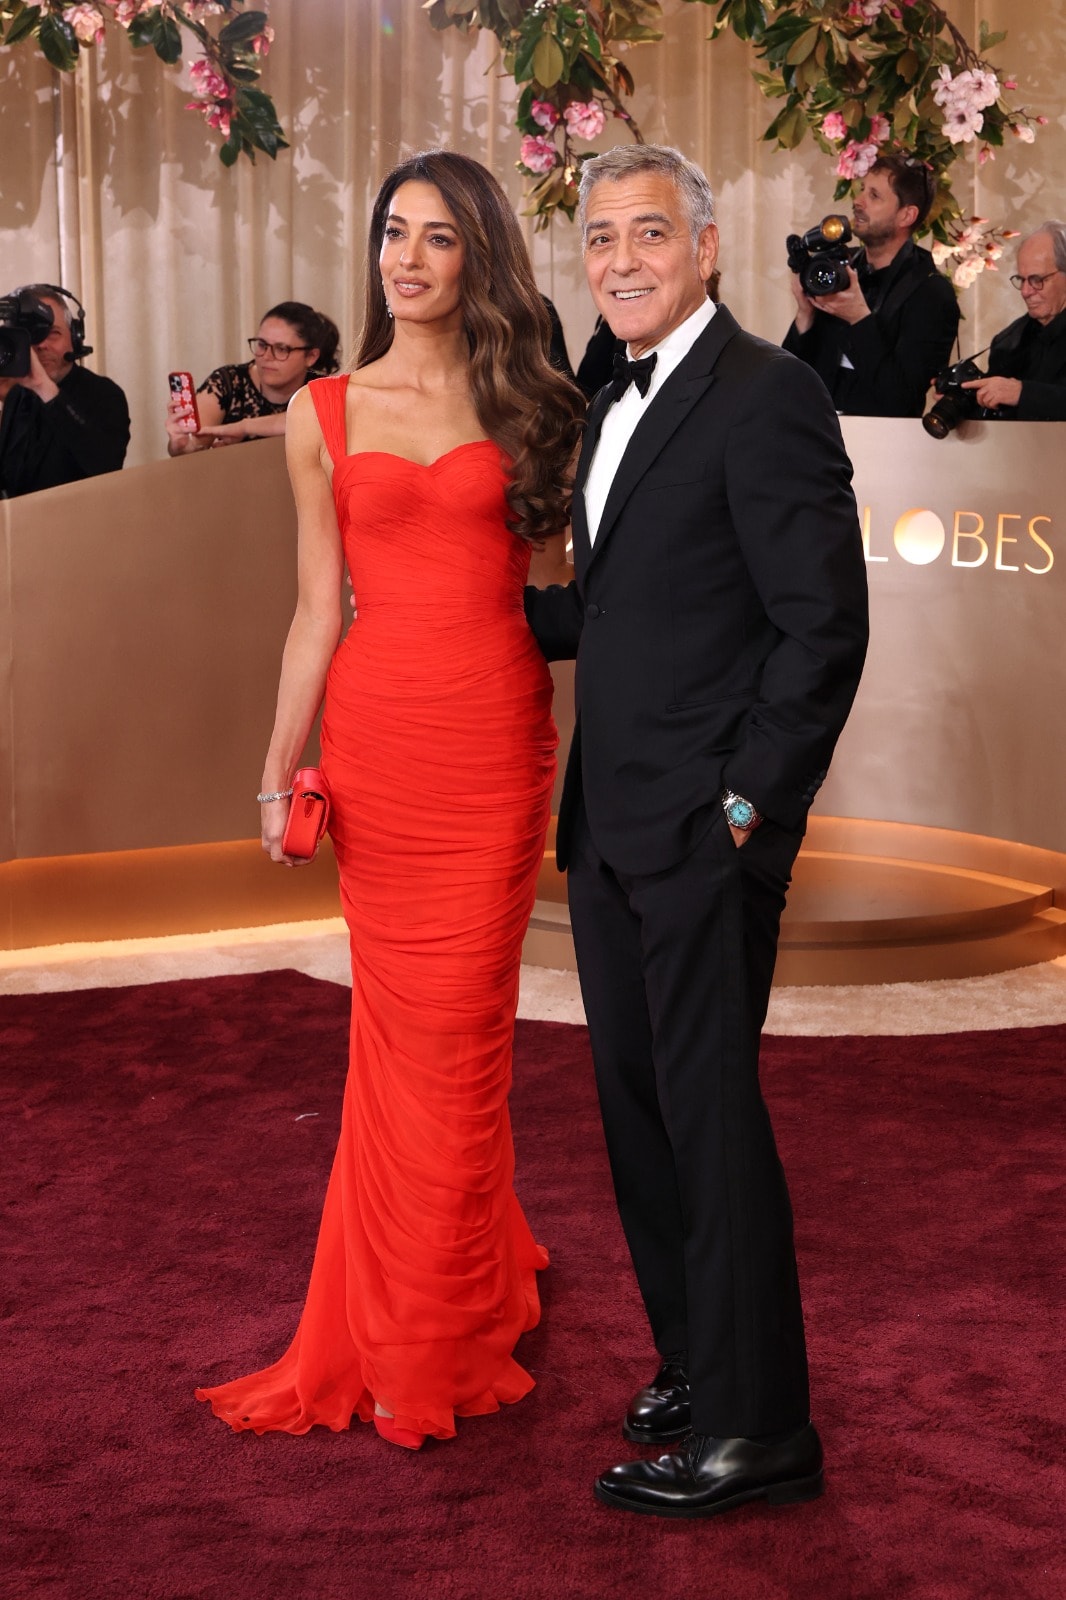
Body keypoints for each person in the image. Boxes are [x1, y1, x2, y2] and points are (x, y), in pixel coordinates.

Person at [196, 152, 584, 1449]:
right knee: (396, 1039)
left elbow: (581, 587)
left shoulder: (532, 401)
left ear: (477, 254)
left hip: (489, 744)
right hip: (376, 749)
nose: (406, 259)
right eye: (390, 235)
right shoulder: (323, 412)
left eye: (434, 238)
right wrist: (274, 771)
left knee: (461, 1039)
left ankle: (438, 1322)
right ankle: (421, 1295)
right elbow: (317, 613)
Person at [524, 144, 869, 1519]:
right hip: (609, 825)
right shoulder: (617, 395)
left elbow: (821, 628)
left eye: (648, 233)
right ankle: (692, 1356)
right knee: (638, 1116)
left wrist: (744, 805)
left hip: (703, 833)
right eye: (600, 236)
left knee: (709, 1124)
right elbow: (624, 610)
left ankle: (757, 1427)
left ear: (709, 248)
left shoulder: (764, 395)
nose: (618, 258)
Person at [783, 153, 960, 415]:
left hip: (882, 446)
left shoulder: (932, 294)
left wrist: (859, 320)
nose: (858, 201)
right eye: (862, 189)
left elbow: (902, 400)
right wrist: (805, 315)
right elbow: (789, 381)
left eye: (874, 196)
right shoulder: (838, 270)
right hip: (818, 439)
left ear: (906, 215)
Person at [0, 284, 129, 498]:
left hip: (80, 525)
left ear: (75, 337)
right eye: (30, 336)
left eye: (52, 333)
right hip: (22, 526)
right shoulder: (17, 396)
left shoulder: (104, 393)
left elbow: (106, 466)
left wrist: (44, 387)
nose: (40, 345)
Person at [166, 301, 340, 454]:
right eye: (262, 345)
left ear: (311, 357)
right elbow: (195, 444)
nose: (266, 356)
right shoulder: (228, 381)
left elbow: (310, 417)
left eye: (281, 349)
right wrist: (182, 446)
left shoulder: (320, 389)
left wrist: (244, 427)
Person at [961, 221, 1066, 420]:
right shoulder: (1008, 341)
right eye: (1022, 280)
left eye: (1037, 280)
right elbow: (996, 416)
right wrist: (965, 398)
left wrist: (1022, 393)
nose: (1026, 292)